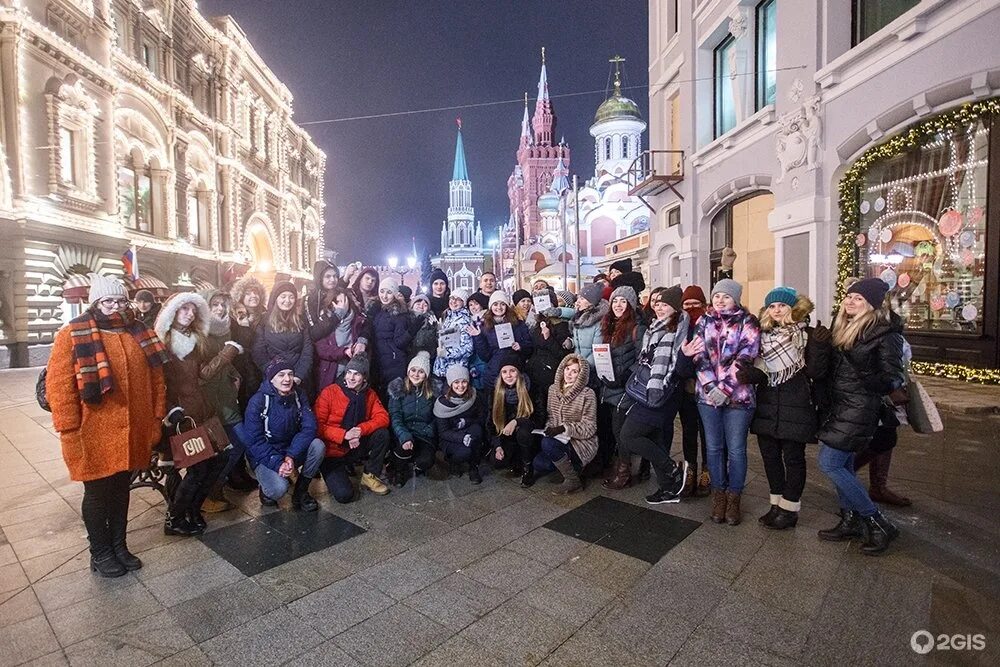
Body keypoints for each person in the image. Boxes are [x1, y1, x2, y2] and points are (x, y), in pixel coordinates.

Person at [46, 274, 167, 577]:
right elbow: (59, 386)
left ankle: (119, 546)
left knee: (121, 489)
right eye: (107, 300)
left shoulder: (139, 332)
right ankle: (100, 552)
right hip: (92, 430)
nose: (114, 306)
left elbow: (157, 380)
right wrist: (69, 428)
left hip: (132, 427)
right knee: (98, 492)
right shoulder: (73, 333)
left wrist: (155, 417)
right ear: (96, 302)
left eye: (120, 300)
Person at [815, 278, 904, 555]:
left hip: (860, 407)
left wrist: (866, 372)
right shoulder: (842, 328)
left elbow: (892, 379)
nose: (850, 301)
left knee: (829, 463)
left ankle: (876, 521)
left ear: (872, 306)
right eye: (849, 296)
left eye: (858, 299)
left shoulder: (884, 334)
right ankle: (851, 519)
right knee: (845, 465)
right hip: (839, 406)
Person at [744, 287, 831, 530]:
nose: (777, 310)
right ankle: (775, 505)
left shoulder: (809, 335)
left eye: (782, 305)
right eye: (772, 306)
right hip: (768, 403)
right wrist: (751, 374)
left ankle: (789, 508)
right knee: (770, 457)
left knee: (793, 458)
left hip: (797, 405)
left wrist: (821, 348)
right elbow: (762, 370)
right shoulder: (763, 336)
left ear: (794, 308)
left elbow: (816, 372)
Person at [155, 293, 237, 535]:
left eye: (193, 310)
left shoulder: (195, 339)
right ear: (173, 312)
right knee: (198, 468)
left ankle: (192, 509)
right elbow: (158, 383)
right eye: (184, 310)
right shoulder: (162, 343)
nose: (189, 314)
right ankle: (174, 518)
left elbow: (203, 375)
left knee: (218, 460)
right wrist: (172, 410)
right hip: (181, 416)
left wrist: (227, 354)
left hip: (201, 409)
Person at [683, 279, 761, 526]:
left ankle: (734, 497)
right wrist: (709, 386)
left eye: (725, 296)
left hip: (738, 398)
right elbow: (698, 355)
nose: (720, 300)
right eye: (717, 296)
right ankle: (719, 495)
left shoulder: (748, 323)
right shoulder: (704, 322)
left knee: (736, 449)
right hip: (707, 398)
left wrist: (725, 389)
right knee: (714, 448)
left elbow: (746, 356)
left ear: (735, 299)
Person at [615, 286, 689, 504]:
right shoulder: (656, 328)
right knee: (654, 439)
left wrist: (654, 393)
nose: (659, 308)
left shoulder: (670, 332)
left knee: (629, 436)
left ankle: (672, 470)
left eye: (665, 305)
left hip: (658, 392)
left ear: (675, 309)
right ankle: (669, 487)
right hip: (649, 391)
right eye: (658, 304)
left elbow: (663, 367)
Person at [237, 357, 325, 510]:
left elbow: (309, 428)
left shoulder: (299, 395)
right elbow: (254, 441)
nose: (287, 379)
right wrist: (278, 463)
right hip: (266, 454)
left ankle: (301, 491)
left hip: (291, 449)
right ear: (271, 379)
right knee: (278, 489)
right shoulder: (258, 401)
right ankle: (266, 491)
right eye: (281, 375)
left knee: (318, 446)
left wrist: (290, 455)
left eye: (290, 374)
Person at [200, 289, 256, 504]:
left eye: (223, 304)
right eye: (215, 304)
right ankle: (211, 490)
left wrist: (235, 375)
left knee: (239, 443)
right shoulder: (201, 332)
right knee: (220, 447)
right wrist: (228, 353)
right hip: (210, 401)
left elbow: (227, 363)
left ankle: (217, 483)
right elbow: (202, 374)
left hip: (227, 396)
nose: (220, 308)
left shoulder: (226, 328)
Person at [315, 354, 391, 501]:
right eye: (349, 372)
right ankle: (333, 474)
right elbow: (317, 425)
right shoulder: (330, 392)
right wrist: (344, 434)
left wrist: (360, 430)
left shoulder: (370, 394)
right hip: (332, 451)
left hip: (354, 447)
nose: (351, 377)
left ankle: (369, 476)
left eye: (356, 374)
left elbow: (383, 417)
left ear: (364, 378)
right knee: (345, 495)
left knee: (382, 434)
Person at [600, 286, 648, 490]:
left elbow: (642, 358)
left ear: (631, 305)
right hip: (610, 384)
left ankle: (624, 472)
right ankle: (622, 465)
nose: (618, 305)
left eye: (623, 302)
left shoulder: (638, 327)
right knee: (614, 428)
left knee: (621, 429)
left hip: (627, 385)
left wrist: (626, 375)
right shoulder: (608, 325)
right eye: (615, 301)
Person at [535, 354, 598, 494]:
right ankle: (572, 468)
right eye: (567, 369)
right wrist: (549, 429)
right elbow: (551, 416)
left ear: (581, 375)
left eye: (575, 371)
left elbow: (590, 427)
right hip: (559, 439)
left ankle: (573, 480)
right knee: (540, 463)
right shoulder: (553, 389)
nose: (569, 373)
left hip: (580, 442)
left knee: (547, 444)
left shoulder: (587, 394)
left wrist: (564, 428)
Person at [387, 352, 441, 486]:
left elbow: (437, 416)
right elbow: (396, 417)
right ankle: (399, 469)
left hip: (424, 434)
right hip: (404, 432)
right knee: (403, 449)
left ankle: (416, 464)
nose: (416, 375)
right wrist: (404, 436)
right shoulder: (398, 390)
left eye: (421, 371)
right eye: (413, 370)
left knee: (426, 461)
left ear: (426, 375)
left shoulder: (432, 392)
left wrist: (429, 429)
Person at [252, 281, 314, 398]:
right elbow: (258, 351)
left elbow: (307, 350)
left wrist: (299, 375)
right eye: (283, 296)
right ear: (276, 298)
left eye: (291, 297)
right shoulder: (264, 321)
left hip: (297, 377)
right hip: (273, 378)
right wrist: (275, 374)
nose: (287, 300)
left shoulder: (300, 321)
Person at [679, 285, 710, 496]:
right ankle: (690, 468)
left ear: (703, 304)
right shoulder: (680, 325)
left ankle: (708, 472)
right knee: (689, 431)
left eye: (695, 303)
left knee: (707, 433)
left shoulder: (709, 325)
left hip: (706, 388)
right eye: (686, 304)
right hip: (685, 388)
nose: (690, 307)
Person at [525, 287, 571, 425]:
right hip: (535, 373)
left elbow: (563, 353)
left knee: (550, 411)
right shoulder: (535, 324)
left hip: (551, 374)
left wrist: (548, 338)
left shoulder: (561, 324)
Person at [470, 291, 534, 391]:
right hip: (494, 372)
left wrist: (521, 346)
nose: (499, 307)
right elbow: (485, 356)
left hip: (516, 370)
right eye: (495, 304)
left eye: (502, 304)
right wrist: (478, 337)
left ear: (507, 306)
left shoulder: (518, 323)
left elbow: (529, 347)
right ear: (491, 306)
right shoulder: (484, 326)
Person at [488, 363, 538, 486]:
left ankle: (528, 467)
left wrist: (517, 421)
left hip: (528, 436)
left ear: (519, 372)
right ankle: (515, 458)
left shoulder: (530, 388)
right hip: (507, 438)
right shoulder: (496, 392)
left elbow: (539, 418)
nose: (508, 375)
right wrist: (497, 446)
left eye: (512, 371)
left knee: (523, 432)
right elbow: (491, 423)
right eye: (504, 372)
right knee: (497, 462)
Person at [433, 364, 484, 484]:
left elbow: (481, 418)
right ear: (450, 384)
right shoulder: (443, 403)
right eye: (456, 382)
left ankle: (473, 467)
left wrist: (467, 422)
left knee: (477, 430)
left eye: (464, 382)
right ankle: (453, 462)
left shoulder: (474, 396)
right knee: (464, 452)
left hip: (469, 430)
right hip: (450, 437)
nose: (460, 386)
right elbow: (443, 432)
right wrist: (462, 438)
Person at [313, 287, 369, 393]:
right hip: (329, 373)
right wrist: (343, 351)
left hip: (352, 376)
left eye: (343, 301)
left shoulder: (358, 321)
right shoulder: (326, 321)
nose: (341, 305)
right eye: (337, 302)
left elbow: (367, 333)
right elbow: (321, 349)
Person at [229, 273, 267, 407]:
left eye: (256, 293)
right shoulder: (234, 318)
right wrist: (244, 327)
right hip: (241, 371)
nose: (253, 296)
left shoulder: (265, 316)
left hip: (261, 368)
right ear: (240, 297)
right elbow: (238, 346)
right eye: (248, 293)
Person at [370, 277, 413, 390]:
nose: (384, 296)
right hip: (380, 361)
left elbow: (400, 342)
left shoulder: (398, 313)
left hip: (393, 363)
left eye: (389, 292)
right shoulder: (379, 311)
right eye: (382, 291)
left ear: (395, 294)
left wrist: (412, 331)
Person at [570, 282, 609, 378]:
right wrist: (571, 342)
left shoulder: (599, 322)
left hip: (591, 371)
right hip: (578, 368)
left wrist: (583, 367)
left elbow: (597, 350)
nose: (578, 301)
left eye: (582, 299)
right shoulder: (579, 317)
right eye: (578, 298)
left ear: (591, 302)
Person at [433, 288, 473, 380]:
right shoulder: (449, 317)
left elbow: (468, 348)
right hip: (442, 367)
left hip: (455, 370)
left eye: (458, 299)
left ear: (464, 303)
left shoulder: (464, 320)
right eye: (452, 298)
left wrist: (446, 353)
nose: (454, 301)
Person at [304, 260, 343, 348]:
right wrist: (336, 316)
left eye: (335, 276)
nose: (332, 279)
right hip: (321, 351)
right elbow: (313, 333)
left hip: (344, 350)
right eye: (328, 276)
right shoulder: (309, 300)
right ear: (320, 278)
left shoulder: (342, 295)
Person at [408, 293, 438, 365]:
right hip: (409, 356)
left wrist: (435, 328)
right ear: (412, 305)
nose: (421, 306)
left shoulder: (431, 321)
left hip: (425, 357)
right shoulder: (406, 318)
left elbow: (435, 342)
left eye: (425, 305)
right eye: (418, 304)